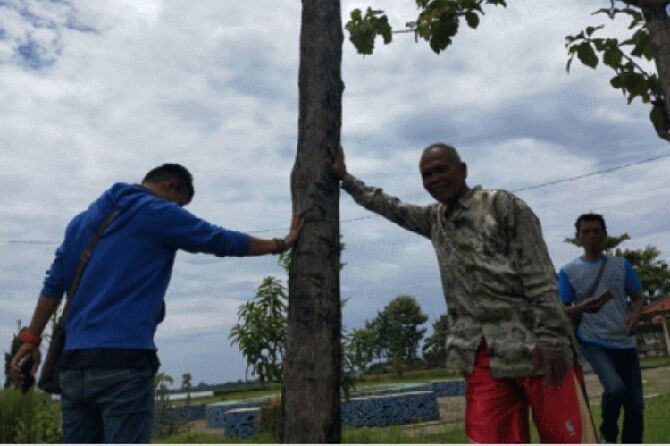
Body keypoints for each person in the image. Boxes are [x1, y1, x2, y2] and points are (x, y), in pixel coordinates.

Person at [10, 163, 301, 443]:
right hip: (123, 363)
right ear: (171, 185)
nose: (178, 212)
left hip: (73, 366)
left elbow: (53, 285)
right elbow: (219, 240)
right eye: (179, 204)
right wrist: (280, 244)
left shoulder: (80, 223)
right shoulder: (157, 212)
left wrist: (31, 339)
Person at [329, 143, 596, 443]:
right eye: (426, 175)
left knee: (569, 438)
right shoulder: (436, 220)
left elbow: (540, 276)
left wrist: (550, 339)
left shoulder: (501, 206)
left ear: (463, 170)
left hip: (538, 348)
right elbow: (393, 208)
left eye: (441, 169)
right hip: (482, 356)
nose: (434, 179)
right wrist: (345, 179)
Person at [558, 213, 644, 444]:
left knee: (636, 405)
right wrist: (582, 308)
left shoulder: (621, 265)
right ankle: (608, 434)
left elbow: (637, 298)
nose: (592, 236)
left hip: (624, 339)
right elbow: (561, 311)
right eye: (586, 232)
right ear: (578, 237)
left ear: (605, 235)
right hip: (594, 341)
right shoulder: (568, 271)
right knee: (615, 389)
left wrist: (634, 317)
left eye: (597, 231)